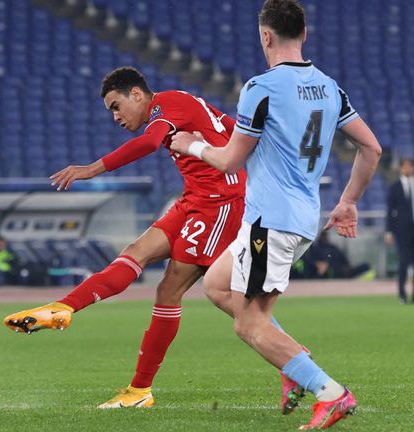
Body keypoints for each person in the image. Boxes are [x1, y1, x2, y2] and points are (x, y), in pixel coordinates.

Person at [4, 67, 293, 410]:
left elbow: (151, 141)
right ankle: (64, 307)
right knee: (136, 252)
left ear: (137, 95)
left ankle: (289, 361)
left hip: (220, 204)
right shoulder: (185, 104)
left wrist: (90, 169)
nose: (115, 117)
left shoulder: (166, 106)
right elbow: (235, 130)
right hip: (194, 200)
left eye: (116, 106)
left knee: (175, 290)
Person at [170, 0, 381, 428]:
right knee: (215, 283)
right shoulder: (328, 86)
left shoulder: (260, 87)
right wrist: (349, 201)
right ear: (304, 34)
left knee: (249, 325)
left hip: (272, 221)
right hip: (297, 217)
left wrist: (189, 144)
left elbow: (230, 161)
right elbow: (372, 148)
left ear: (266, 36)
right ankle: (293, 364)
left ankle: (330, 392)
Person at [385, 158, 414, 304]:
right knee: (403, 262)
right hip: (402, 230)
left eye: (410, 166)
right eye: (405, 167)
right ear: (401, 169)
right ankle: (402, 294)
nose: (408, 169)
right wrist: (389, 231)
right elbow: (390, 211)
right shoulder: (395, 187)